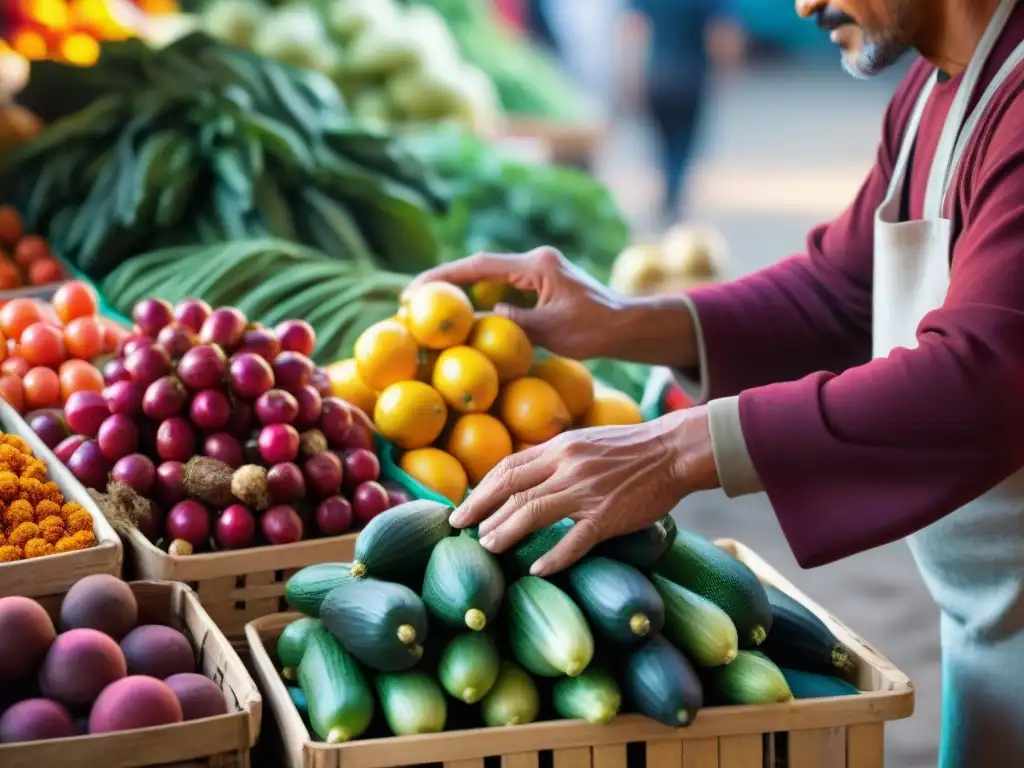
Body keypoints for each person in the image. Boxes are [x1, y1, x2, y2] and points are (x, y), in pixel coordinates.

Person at [406, 0, 1024, 764]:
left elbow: (981, 383)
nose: (803, 5)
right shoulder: (933, 90)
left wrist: (674, 452)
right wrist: (621, 319)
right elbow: (841, 291)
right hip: (989, 626)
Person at [622, 0, 721, 222]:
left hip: (656, 74)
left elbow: (633, 28)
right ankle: (673, 191)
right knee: (683, 143)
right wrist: (724, 73)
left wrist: (631, 73)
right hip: (691, 77)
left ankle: (668, 190)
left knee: (663, 141)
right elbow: (720, 32)